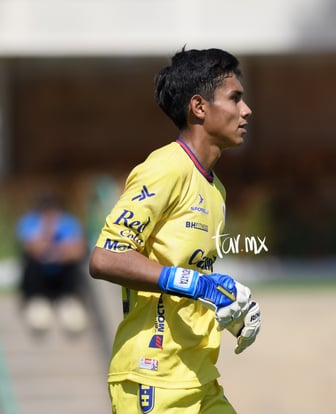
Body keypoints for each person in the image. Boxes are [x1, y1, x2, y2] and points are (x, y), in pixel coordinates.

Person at [89, 47, 261, 414]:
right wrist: (194, 284)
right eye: (235, 98)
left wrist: (223, 298)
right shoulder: (166, 168)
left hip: (199, 377)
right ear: (199, 107)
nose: (246, 111)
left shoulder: (216, 190)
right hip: (154, 379)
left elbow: (186, 273)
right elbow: (105, 257)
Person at [16, 192, 88, 334]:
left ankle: (69, 303)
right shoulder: (29, 221)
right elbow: (32, 249)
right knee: (32, 265)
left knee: (72, 268)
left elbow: (78, 251)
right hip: (38, 278)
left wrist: (54, 252)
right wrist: (50, 235)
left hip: (64, 277)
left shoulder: (69, 221)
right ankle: (37, 303)